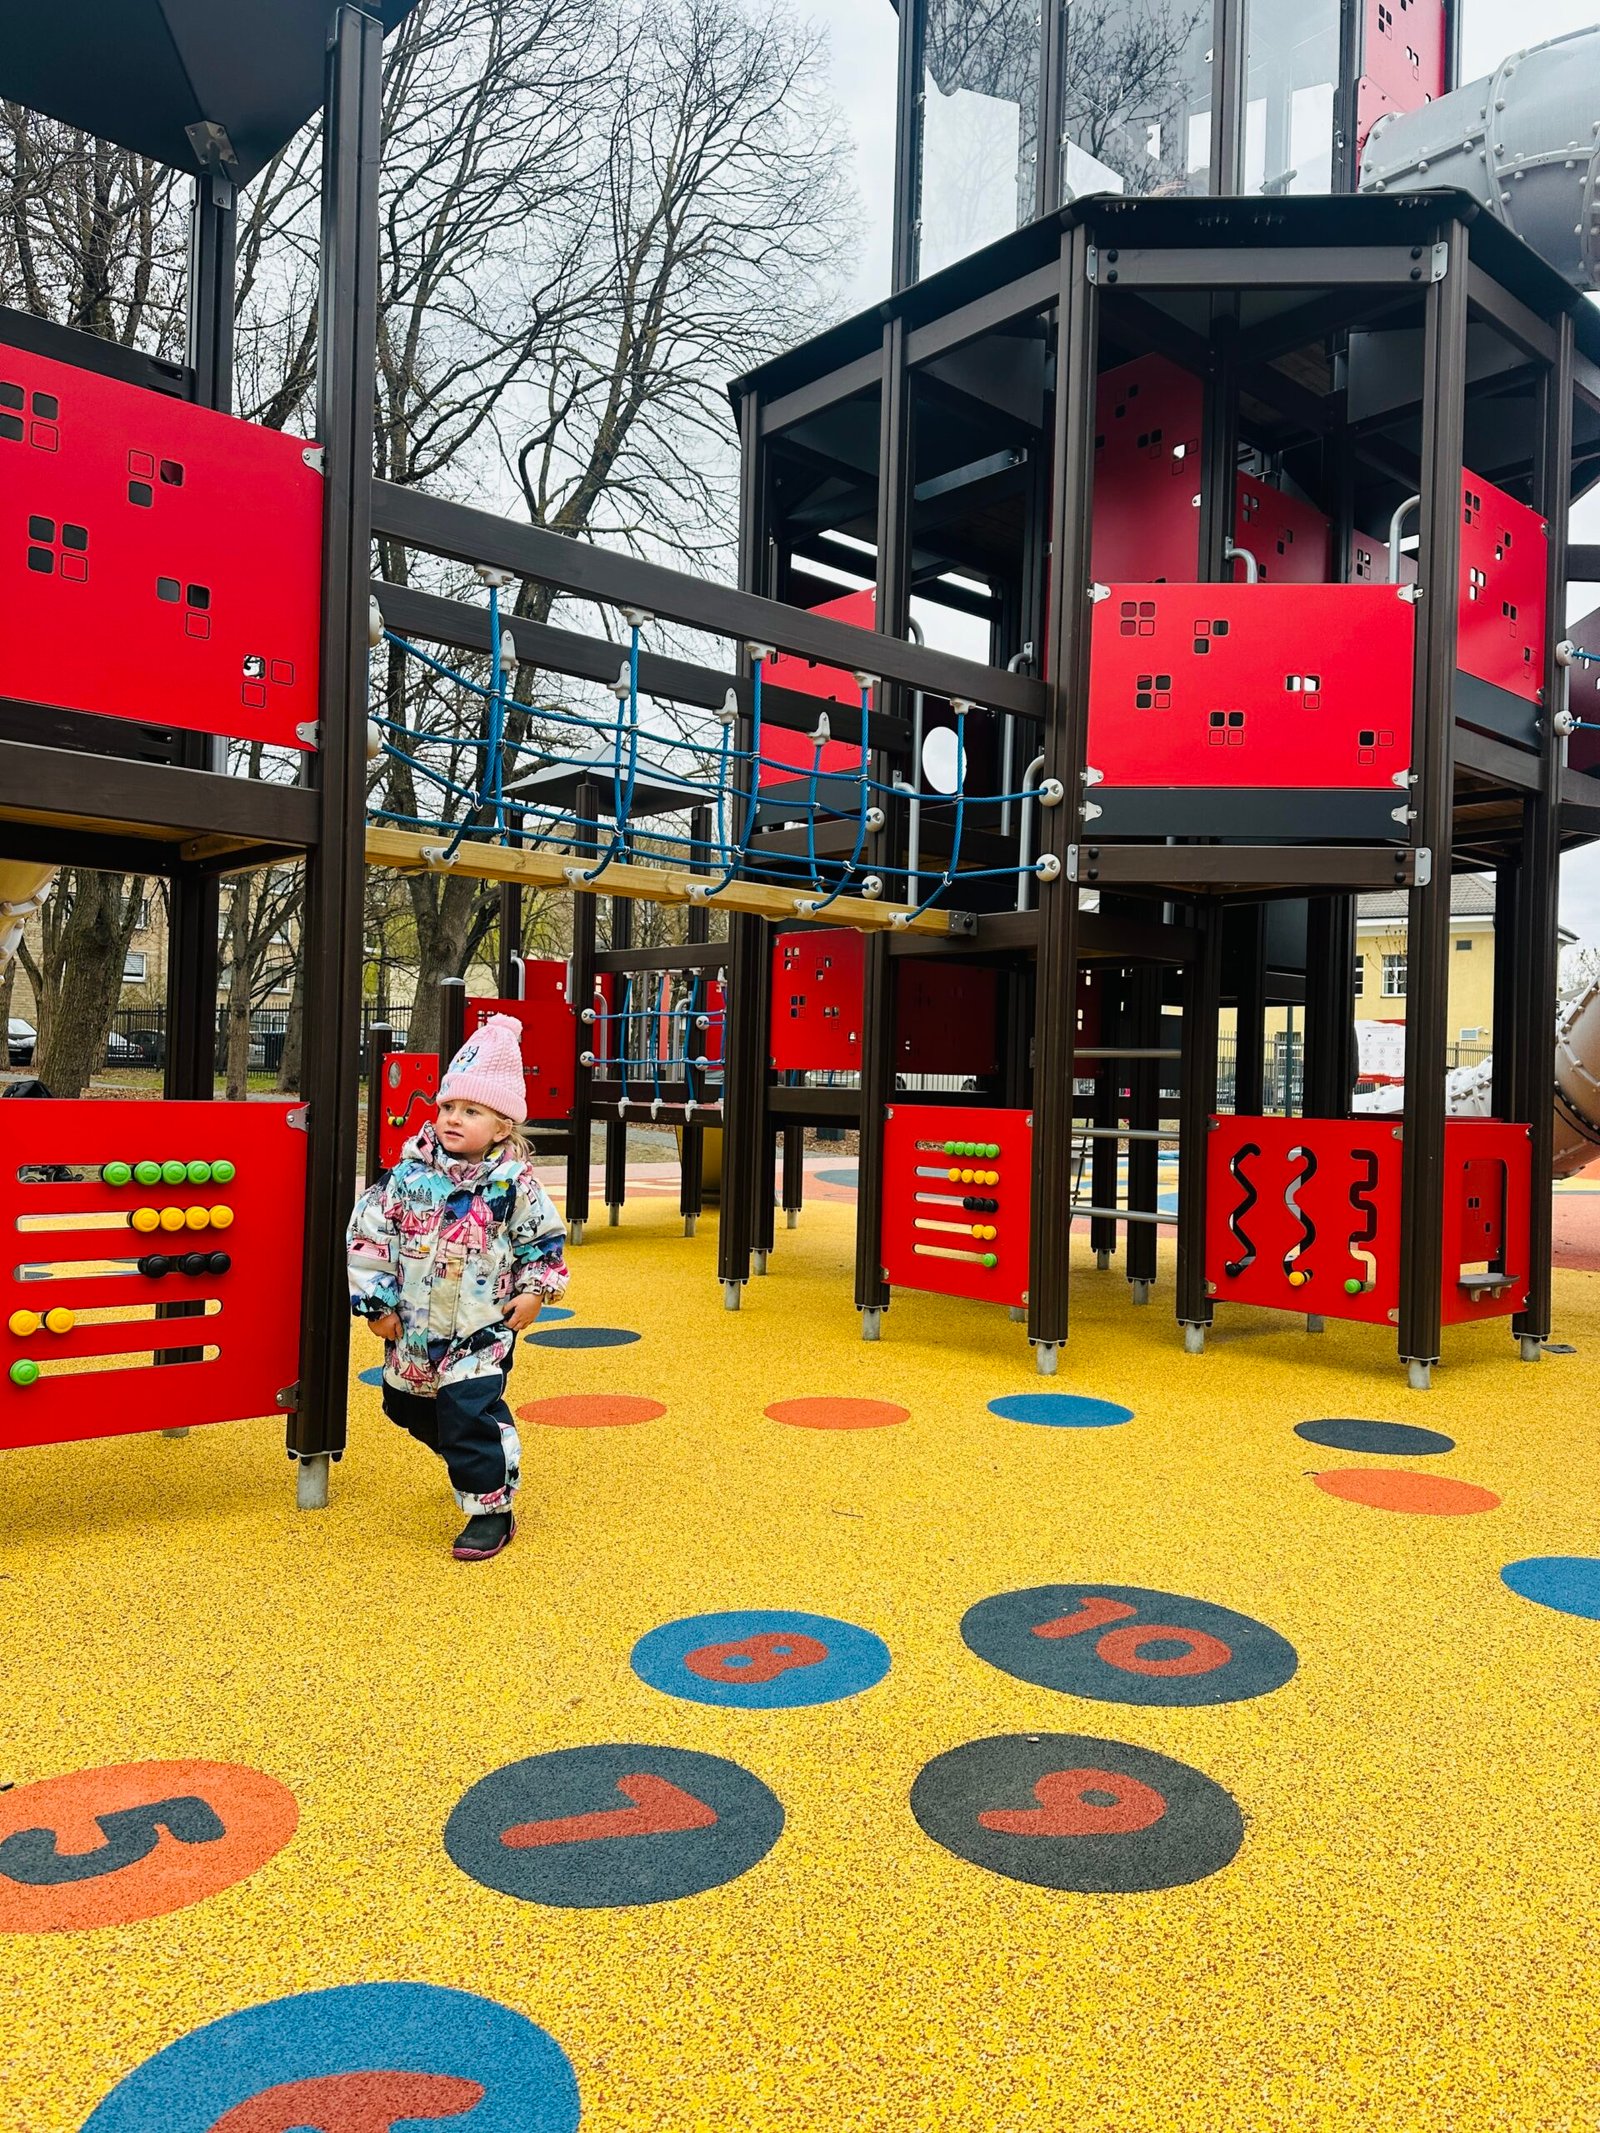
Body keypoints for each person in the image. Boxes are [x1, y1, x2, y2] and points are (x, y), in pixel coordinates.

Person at [347, 1014, 568, 1561]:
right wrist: (375, 1302)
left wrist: (536, 1290)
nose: (453, 1118)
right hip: (414, 1326)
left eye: (471, 1111)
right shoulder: (406, 1178)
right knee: (404, 1407)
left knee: (469, 1412)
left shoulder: (514, 1186)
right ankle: (472, 1457)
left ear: (501, 1127)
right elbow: (368, 1236)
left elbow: (541, 1242)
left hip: (481, 1326)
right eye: (448, 1107)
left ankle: (489, 1508)